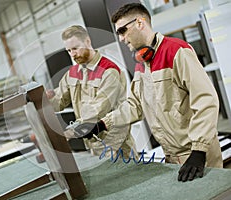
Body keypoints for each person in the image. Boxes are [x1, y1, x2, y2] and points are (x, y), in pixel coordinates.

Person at [73, 3, 223, 182]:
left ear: (139, 23)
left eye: (122, 31)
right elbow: (135, 105)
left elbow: (206, 101)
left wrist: (199, 150)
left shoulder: (176, 51)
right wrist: (102, 124)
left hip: (197, 155)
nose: (121, 38)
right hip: (172, 157)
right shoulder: (141, 65)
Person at [46, 25, 138, 159]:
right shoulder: (72, 73)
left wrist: (70, 133)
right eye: (69, 51)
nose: (72, 54)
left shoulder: (109, 71)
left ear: (87, 41)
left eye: (75, 48)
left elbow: (98, 109)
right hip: (93, 145)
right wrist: (43, 100)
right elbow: (59, 101)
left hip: (115, 144)